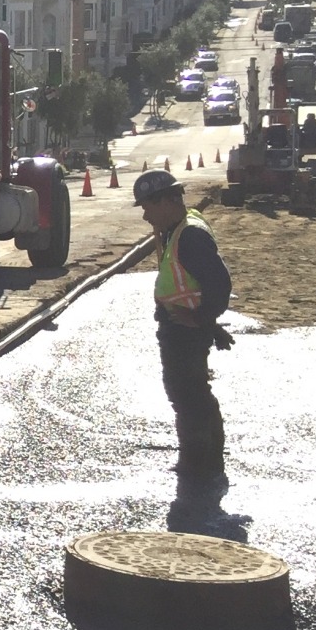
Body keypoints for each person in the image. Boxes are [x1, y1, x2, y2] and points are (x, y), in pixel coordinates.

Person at [132, 170, 236, 482]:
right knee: (187, 393)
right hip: (182, 327)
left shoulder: (190, 236)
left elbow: (219, 283)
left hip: (185, 331)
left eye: (148, 207)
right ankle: (200, 460)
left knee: (189, 395)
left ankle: (201, 464)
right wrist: (210, 324)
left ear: (166, 202)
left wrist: (202, 319)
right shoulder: (176, 229)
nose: (146, 216)